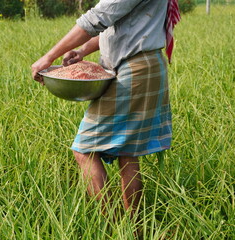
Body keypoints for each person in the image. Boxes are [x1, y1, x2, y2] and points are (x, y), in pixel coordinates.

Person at [32, 0, 180, 222]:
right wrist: (82, 50)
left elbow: (97, 18)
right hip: (145, 65)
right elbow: (117, 26)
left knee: (84, 151)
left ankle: (113, 224)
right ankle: (134, 229)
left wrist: (49, 56)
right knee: (127, 153)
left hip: (134, 69)